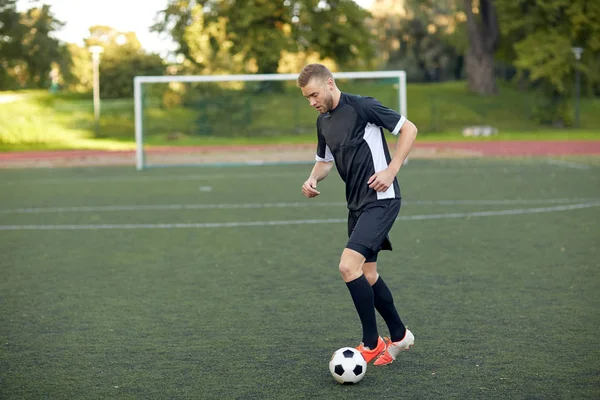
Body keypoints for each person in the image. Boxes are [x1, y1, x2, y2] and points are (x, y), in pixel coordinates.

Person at [297, 64, 418, 366]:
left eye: (314, 94)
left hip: (381, 199)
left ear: (329, 83)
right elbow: (324, 162)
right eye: (307, 98)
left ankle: (371, 343)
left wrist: (391, 170)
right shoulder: (323, 122)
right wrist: (313, 179)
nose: (312, 102)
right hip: (356, 205)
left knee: (348, 266)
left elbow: (409, 129)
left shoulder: (362, 106)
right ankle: (400, 336)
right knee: (367, 274)